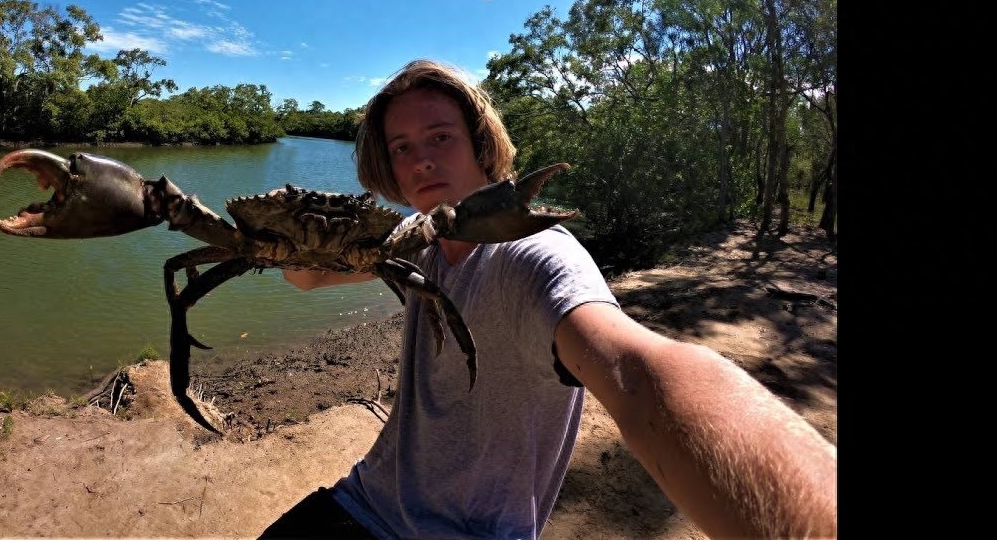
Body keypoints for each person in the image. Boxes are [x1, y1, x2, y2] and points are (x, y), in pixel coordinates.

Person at [259, 59, 837, 539]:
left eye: (440, 137)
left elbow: (638, 374)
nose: (421, 160)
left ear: (482, 147)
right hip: (368, 499)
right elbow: (307, 280)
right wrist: (289, 239)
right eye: (402, 147)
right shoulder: (421, 245)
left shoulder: (532, 256)